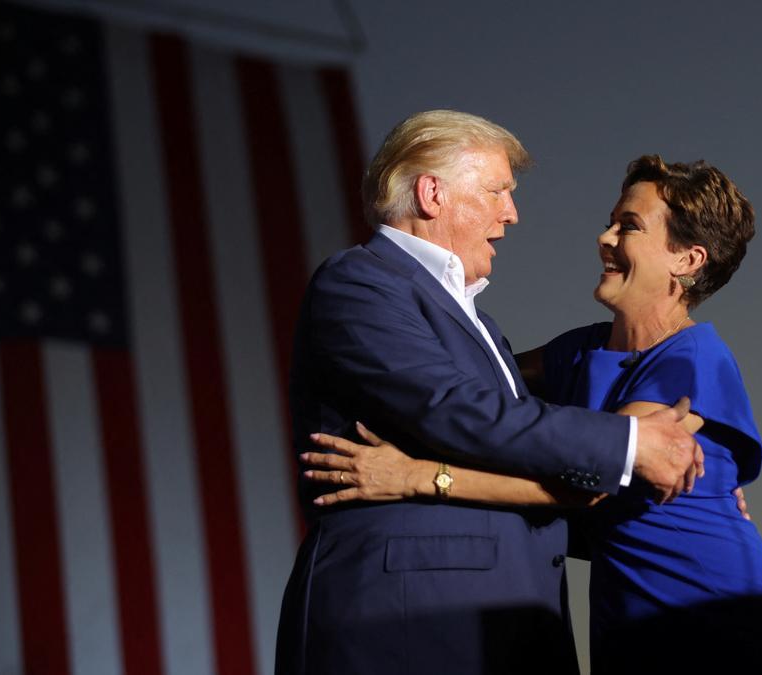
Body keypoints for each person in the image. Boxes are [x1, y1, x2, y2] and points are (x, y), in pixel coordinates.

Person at [302, 155, 762, 673]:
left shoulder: (692, 360)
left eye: (630, 227)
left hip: (715, 619)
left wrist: (417, 477)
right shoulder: (576, 352)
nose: (605, 237)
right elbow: (472, 385)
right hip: (628, 626)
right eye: (612, 221)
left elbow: (583, 485)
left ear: (687, 260)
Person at [274, 111, 702, 675]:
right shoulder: (360, 282)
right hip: (410, 622)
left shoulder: (482, 324)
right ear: (432, 193)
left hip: (508, 625)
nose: (512, 212)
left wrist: (691, 503)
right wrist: (630, 443)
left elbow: (524, 474)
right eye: (499, 191)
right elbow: (455, 411)